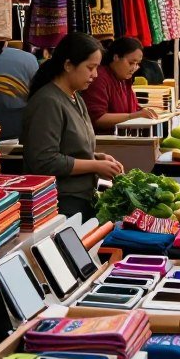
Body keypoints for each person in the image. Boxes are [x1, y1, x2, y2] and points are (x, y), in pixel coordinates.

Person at [22, 33, 125, 220]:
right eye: (90, 68)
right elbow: (45, 160)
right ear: (68, 65)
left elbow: (68, 148)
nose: (95, 75)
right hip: (61, 203)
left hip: (82, 197)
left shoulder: (75, 96)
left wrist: (96, 157)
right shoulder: (48, 102)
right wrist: (94, 165)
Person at [82, 37, 159, 132]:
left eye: (137, 64)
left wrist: (144, 111)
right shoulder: (99, 77)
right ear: (116, 57)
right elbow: (97, 119)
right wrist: (132, 116)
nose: (134, 68)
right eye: (131, 63)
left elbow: (133, 108)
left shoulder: (124, 79)